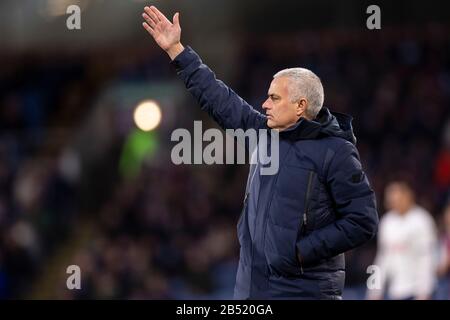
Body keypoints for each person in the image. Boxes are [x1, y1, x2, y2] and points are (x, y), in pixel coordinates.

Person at [141, 5, 378, 299]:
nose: (265, 104)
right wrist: (177, 50)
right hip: (252, 289)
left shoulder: (335, 151)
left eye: (274, 97)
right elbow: (220, 100)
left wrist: (301, 253)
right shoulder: (264, 136)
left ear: (301, 106)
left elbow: (362, 221)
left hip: (304, 292)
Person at [367, 181, 437, 300]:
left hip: (417, 291)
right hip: (396, 291)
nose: (393, 202)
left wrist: (424, 292)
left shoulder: (422, 220)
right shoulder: (387, 222)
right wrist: (373, 291)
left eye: (397, 198)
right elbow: (382, 259)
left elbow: (427, 258)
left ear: (408, 196)